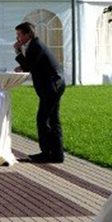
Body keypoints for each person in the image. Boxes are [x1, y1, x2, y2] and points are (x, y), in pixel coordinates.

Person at [13, 21, 66, 164]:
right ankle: (56, 154)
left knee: (43, 119)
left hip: (52, 85)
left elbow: (28, 66)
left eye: (19, 34)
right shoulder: (34, 45)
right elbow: (32, 65)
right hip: (55, 84)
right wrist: (22, 65)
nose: (18, 38)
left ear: (28, 34)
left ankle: (47, 153)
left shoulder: (35, 46)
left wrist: (18, 52)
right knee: (53, 119)